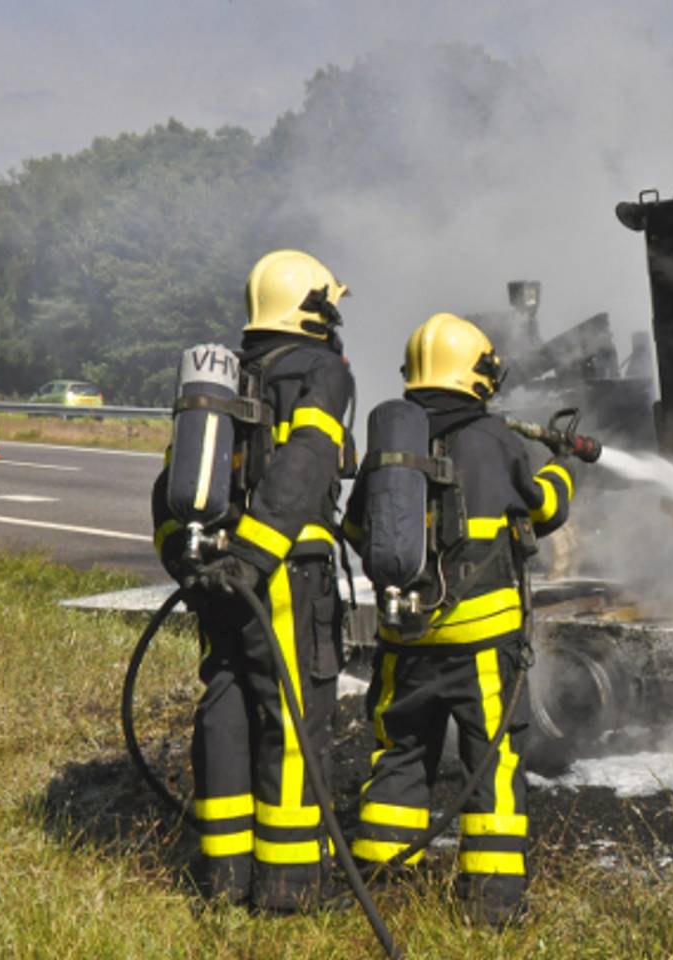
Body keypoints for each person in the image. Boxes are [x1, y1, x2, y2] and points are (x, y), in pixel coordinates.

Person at [343, 312, 575, 924]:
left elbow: (357, 529)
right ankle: (491, 903)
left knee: (400, 751)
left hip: (405, 638)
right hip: (482, 646)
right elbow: (545, 509)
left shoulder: (390, 443)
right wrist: (561, 467)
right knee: (490, 764)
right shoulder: (495, 439)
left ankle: (382, 883)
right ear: (476, 373)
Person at [150, 249, 356, 911]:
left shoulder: (225, 377)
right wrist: (256, 558)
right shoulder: (322, 370)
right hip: (283, 573)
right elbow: (308, 461)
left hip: (217, 572)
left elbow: (171, 483)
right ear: (314, 309)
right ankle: (289, 891)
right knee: (292, 722)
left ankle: (225, 878)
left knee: (226, 709)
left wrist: (193, 565)